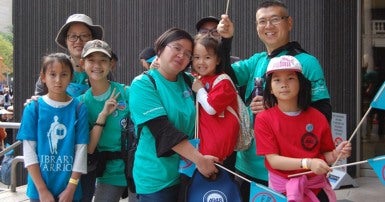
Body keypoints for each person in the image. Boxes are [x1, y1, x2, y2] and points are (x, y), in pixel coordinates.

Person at [218, 1, 333, 200]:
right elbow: (225, 75)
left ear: (289, 23)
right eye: (262, 21)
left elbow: (323, 113)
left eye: (274, 20)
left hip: (288, 173)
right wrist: (226, 41)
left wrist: (274, 109)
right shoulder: (258, 59)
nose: (268, 26)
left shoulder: (307, 62)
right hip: (247, 165)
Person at [129, 27, 219, 202]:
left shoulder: (189, 81)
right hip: (156, 179)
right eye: (177, 48)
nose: (181, 56)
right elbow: (163, 131)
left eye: (188, 54)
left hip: (187, 174)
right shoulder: (143, 84)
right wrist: (200, 160)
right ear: (161, 49)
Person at [255, 55, 351, 201]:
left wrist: (337, 154)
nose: (284, 84)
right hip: (281, 193)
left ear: (301, 83)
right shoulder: (263, 119)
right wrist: (308, 163)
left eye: (290, 78)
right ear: (270, 88)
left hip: (317, 190)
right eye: (277, 79)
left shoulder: (318, 117)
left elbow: (324, 157)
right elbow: (273, 160)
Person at [17, 52, 89, 201]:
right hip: (39, 190)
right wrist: (42, 189)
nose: (58, 80)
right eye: (52, 74)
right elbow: (29, 151)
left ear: (71, 77)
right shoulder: (33, 108)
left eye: (63, 74)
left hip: (70, 190)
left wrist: (71, 188)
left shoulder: (79, 108)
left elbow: (81, 150)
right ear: (43, 77)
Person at [77, 39, 134, 202]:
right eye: (91, 60)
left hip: (137, 169)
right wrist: (102, 116)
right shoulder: (81, 103)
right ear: (82, 63)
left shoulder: (127, 92)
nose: (97, 65)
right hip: (108, 173)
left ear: (111, 64)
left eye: (103, 60)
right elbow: (88, 149)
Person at [191, 33, 239, 163]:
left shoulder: (223, 82)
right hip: (202, 146)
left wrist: (200, 90)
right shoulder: (199, 77)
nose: (201, 62)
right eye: (196, 57)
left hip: (215, 150)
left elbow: (211, 108)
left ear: (218, 60)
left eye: (207, 57)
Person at [34, 13, 104, 98]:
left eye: (84, 36)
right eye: (73, 36)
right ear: (66, 40)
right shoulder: (55, 65)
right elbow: (40, 96)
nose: (78, 41)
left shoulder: (101, 67)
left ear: (92, 39)